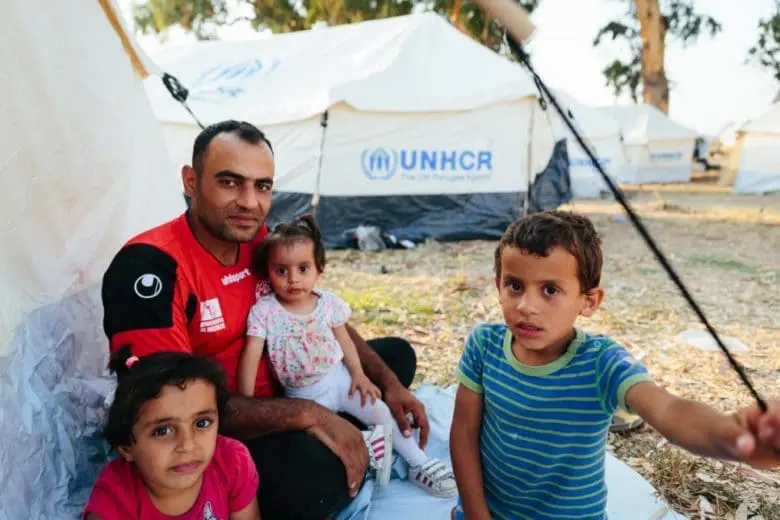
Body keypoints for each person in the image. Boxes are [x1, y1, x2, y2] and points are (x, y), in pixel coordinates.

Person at [100, 120, 431, 519]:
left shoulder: (258, 241)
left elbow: (320, 312)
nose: (249, 202)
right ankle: (341, 433)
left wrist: (387, 384)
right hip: (224, 426)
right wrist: (307, 414)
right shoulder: (150, 267)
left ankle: (347, 427)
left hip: (295, 384)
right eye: (229, 182)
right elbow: (171, 405)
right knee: (309, 475)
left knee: (395, 357)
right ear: (190, 181)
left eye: (262, 186)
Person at [449, 211, 780, 520]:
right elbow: (464, 432)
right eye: (515, 285)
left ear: (588, 301)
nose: (526, 306)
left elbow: (668, 410)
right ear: (498, 285)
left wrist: (732, 435)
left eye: (550, 289)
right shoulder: (484, 344)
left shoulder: (601, 362)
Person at [237, 214, 457, 497]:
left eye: (303, 268)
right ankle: (369, 445)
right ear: (268, 272)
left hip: (338, 379)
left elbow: (346, 341)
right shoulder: (265, 311)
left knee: (378, 409)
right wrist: (247, 404)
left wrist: (359, 375)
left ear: (319, 269)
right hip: (302, 398)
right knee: (321, 442)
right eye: (281, 271)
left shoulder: (327, 304)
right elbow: (251, 355)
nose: (293, 279)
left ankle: (418, 461)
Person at [83, 346, 260, 520]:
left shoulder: (231, 462)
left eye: (202, 423)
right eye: (163, 431)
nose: (188, 445)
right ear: (127, 447)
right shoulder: (114, 502)